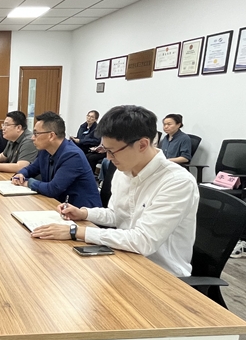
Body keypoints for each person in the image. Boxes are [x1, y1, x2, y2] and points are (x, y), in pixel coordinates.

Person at [31, 105, 199, 278]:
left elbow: (143, 241)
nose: (108, 158)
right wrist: (84, 213)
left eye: (112, 151)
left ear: (142, 145)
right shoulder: (124, 171)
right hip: (123, 258)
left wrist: (75, 231)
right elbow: (117, 215)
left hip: (161, 275)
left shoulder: (177, 182)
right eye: (106, 150)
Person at [12, 111, 101, 208]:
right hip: (59, 205)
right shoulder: (45, 150)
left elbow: (53, 189)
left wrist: (28, 182)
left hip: (82, 211)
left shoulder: (73, 155)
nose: (32, 138)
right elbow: (31, 168)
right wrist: (21, 174)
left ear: (51, 136)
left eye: (36, 133)